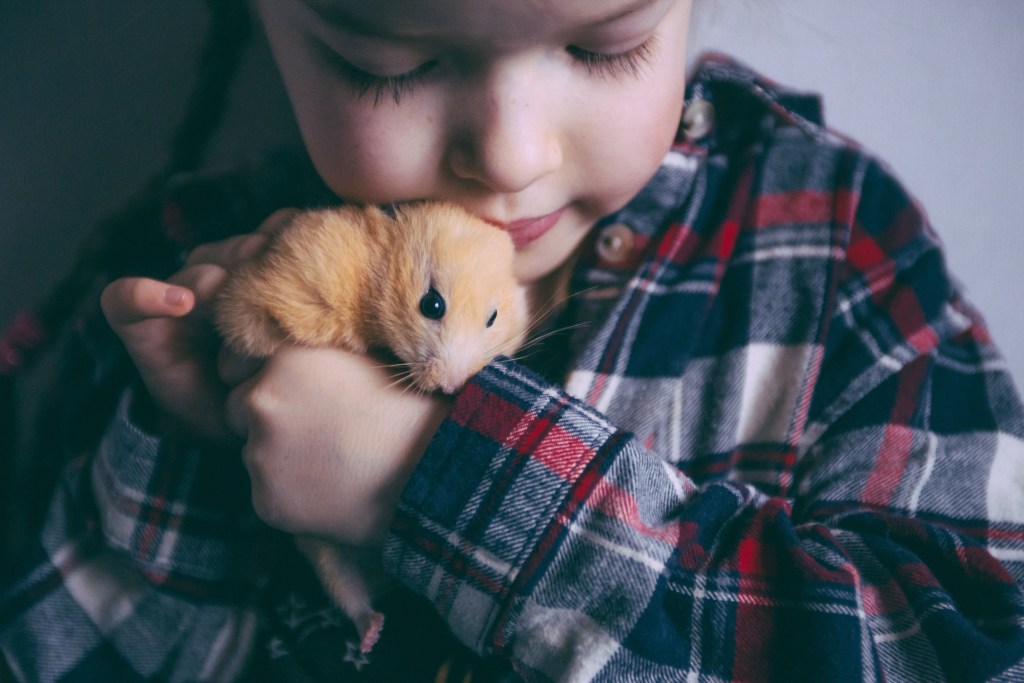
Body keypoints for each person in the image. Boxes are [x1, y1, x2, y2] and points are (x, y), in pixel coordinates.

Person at [3, 0, 1024, 680]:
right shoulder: (193, 268)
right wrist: (196, 452)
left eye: (602, 43)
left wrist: (435, 478)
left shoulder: (834, 239)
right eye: (388, 63)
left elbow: (974, 644)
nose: (510, 153)